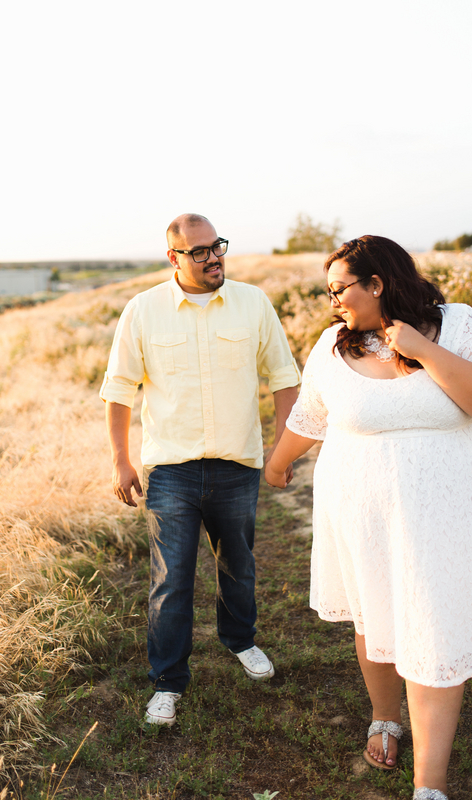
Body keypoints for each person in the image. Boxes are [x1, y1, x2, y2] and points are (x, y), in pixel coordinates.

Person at [265, 235, 472, 800]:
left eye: (340, 290)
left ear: (377, 284)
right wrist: (277, 465)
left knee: (435, 627)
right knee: (373, 613)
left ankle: (428, 786)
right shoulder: (334, 344)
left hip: (446, 512)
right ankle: (386, 714)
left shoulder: (457, 325)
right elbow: (311, 415)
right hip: (360, 510)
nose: (333, 302)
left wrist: (424, 351)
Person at [101, 213, 300, 727]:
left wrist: (282, 451)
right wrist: (121, 460)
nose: (213, 258)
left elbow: (284, 376)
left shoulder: (253, 302)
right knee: (171, 580)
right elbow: (119, 389)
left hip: (237, 465)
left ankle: (240, 641)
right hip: (171, 470)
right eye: (200, 251)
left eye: (217, 247)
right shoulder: (142, 311)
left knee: (238, 564)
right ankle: (167, 682)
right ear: (174, 258)